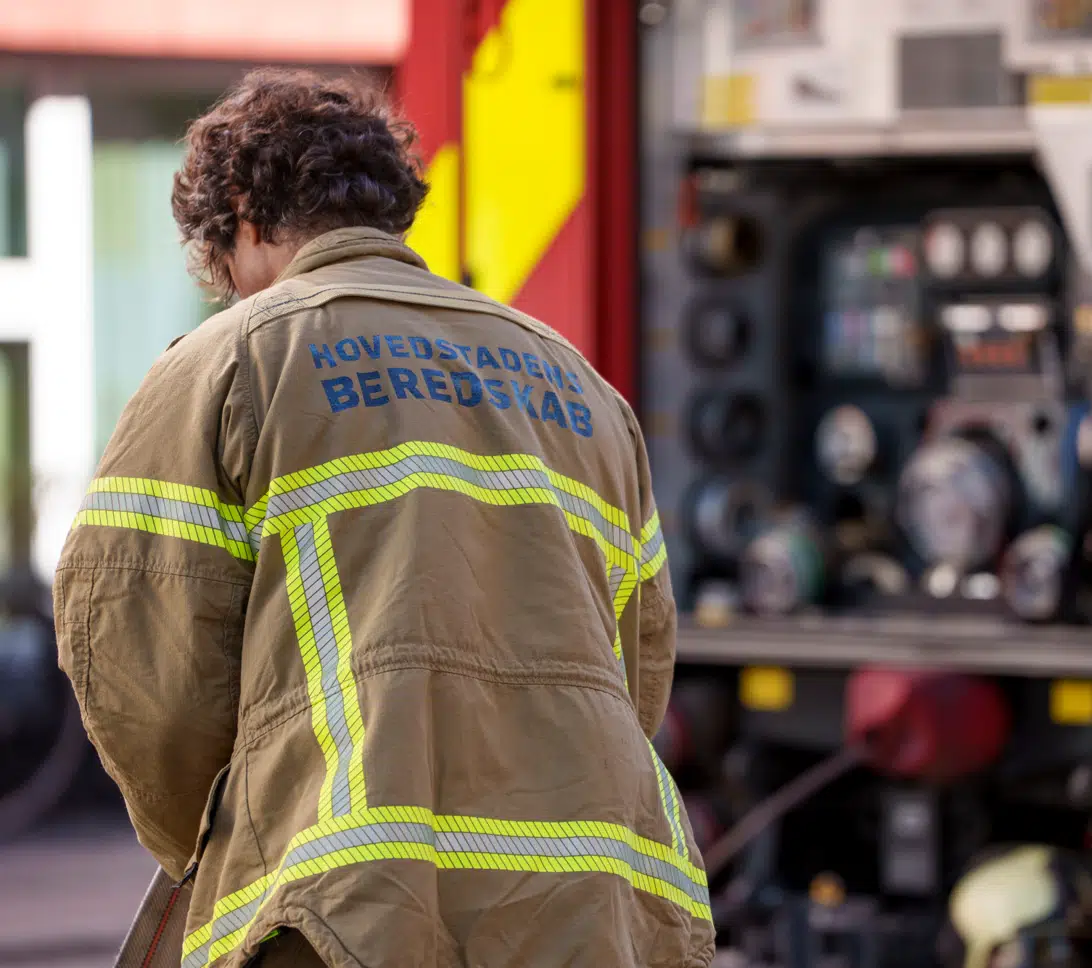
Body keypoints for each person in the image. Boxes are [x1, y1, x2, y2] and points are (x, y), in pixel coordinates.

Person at [53, 69, 712, 968]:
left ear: (243, 215)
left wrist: (230, 831)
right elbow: (638, 660)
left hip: (347, 908)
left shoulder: (235, 358)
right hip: (595, 905)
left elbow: (136, 653)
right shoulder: (583, 387)